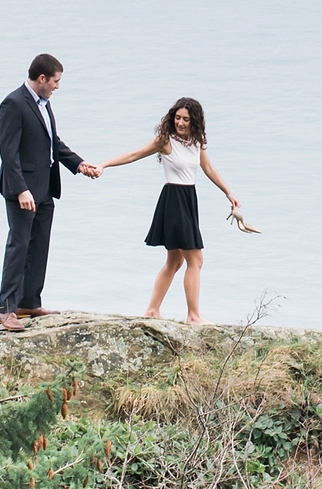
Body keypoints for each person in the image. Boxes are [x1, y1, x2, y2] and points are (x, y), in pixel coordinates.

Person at [98, 97, 238, 324]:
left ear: (195, 121)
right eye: (178, 118)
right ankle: (193, 315)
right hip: (174, 201)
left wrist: (228, 192)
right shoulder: (165, 141)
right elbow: (134, 154)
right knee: (196, 260)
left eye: (186, 119)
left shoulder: (196, 141)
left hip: (188, 199)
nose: (180, 123)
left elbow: (208, 168)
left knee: (175, 262)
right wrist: (103, 165)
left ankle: (152, 310)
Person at [0, 53, 97, 332]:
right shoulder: (13, 103)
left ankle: (29, 301)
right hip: (23, 192)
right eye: (55, 81)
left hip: (45, 189)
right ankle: (7, 309)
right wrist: (20, 190)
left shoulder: (44, 104)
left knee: (39, 245)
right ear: (41, 78)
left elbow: (53, 143)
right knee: (19, 245)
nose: (57, 86)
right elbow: (8, 153)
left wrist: (79, 164)